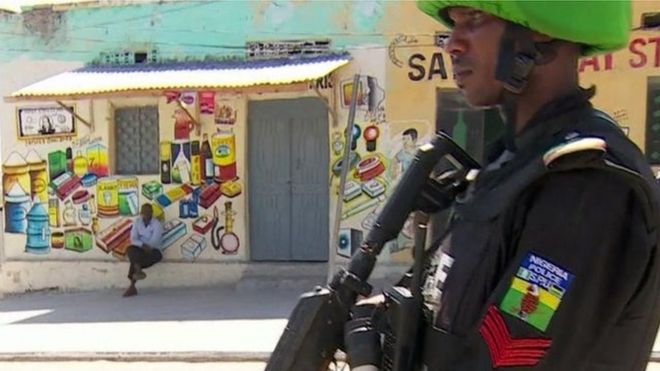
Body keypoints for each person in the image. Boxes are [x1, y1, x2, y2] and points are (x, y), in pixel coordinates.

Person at [344, 1, 660, 370]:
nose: (452, 45)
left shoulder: (585, 185)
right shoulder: (511, 166)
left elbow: (510, 355)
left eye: (474, 20)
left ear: (540, 30)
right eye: (453, 25)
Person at [123, 203, 164, 297]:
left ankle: (134, 279)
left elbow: (155, 241)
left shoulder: (156, 224)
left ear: (152, 213)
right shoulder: (137, 222)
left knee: (135, 259)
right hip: (140, 250)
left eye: (148, 212)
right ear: (141, 213)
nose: (146, 215)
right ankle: (137, 272)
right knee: (130, 250)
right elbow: (133, 238)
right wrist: (142, 245)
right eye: (144, 213)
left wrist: (143, 245)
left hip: (154, 252)